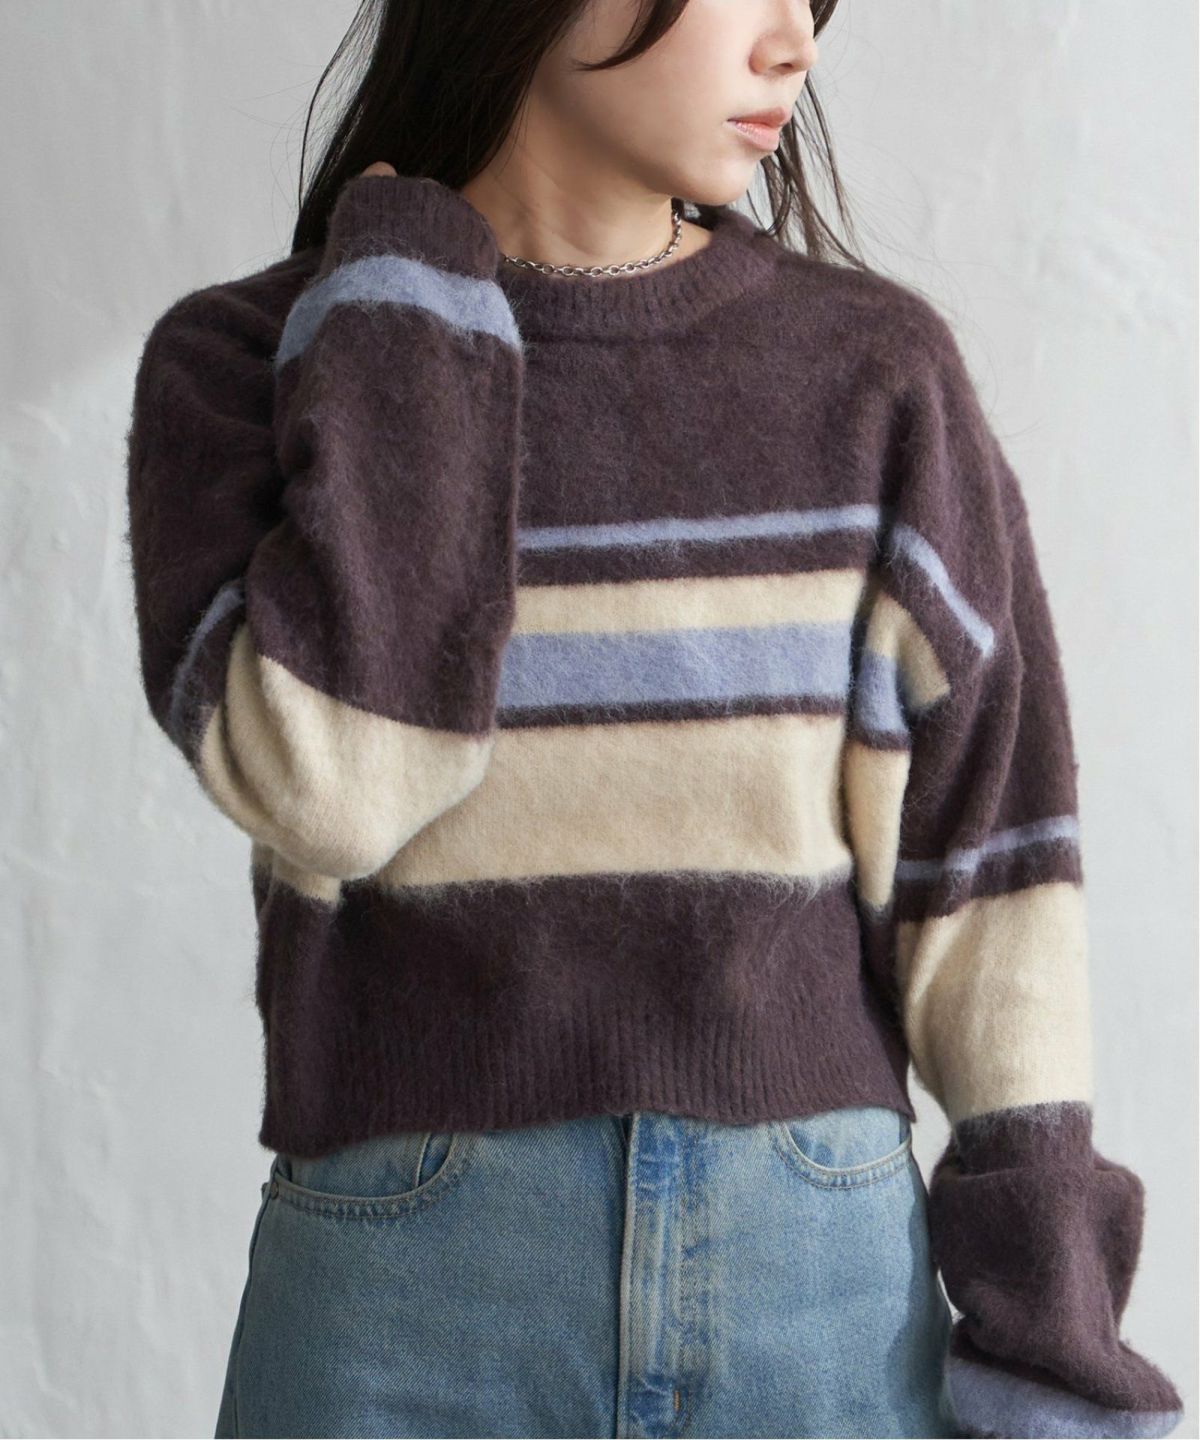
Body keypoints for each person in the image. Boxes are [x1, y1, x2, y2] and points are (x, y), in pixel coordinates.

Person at [123, 1, 1185, 1436]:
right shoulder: (255, 362)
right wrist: (406, 299)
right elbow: (339, 785)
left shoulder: (874, 377)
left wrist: (1053, 1334)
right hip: (406, 1300)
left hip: (816, 1285)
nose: (793, 46)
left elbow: (989, 886)